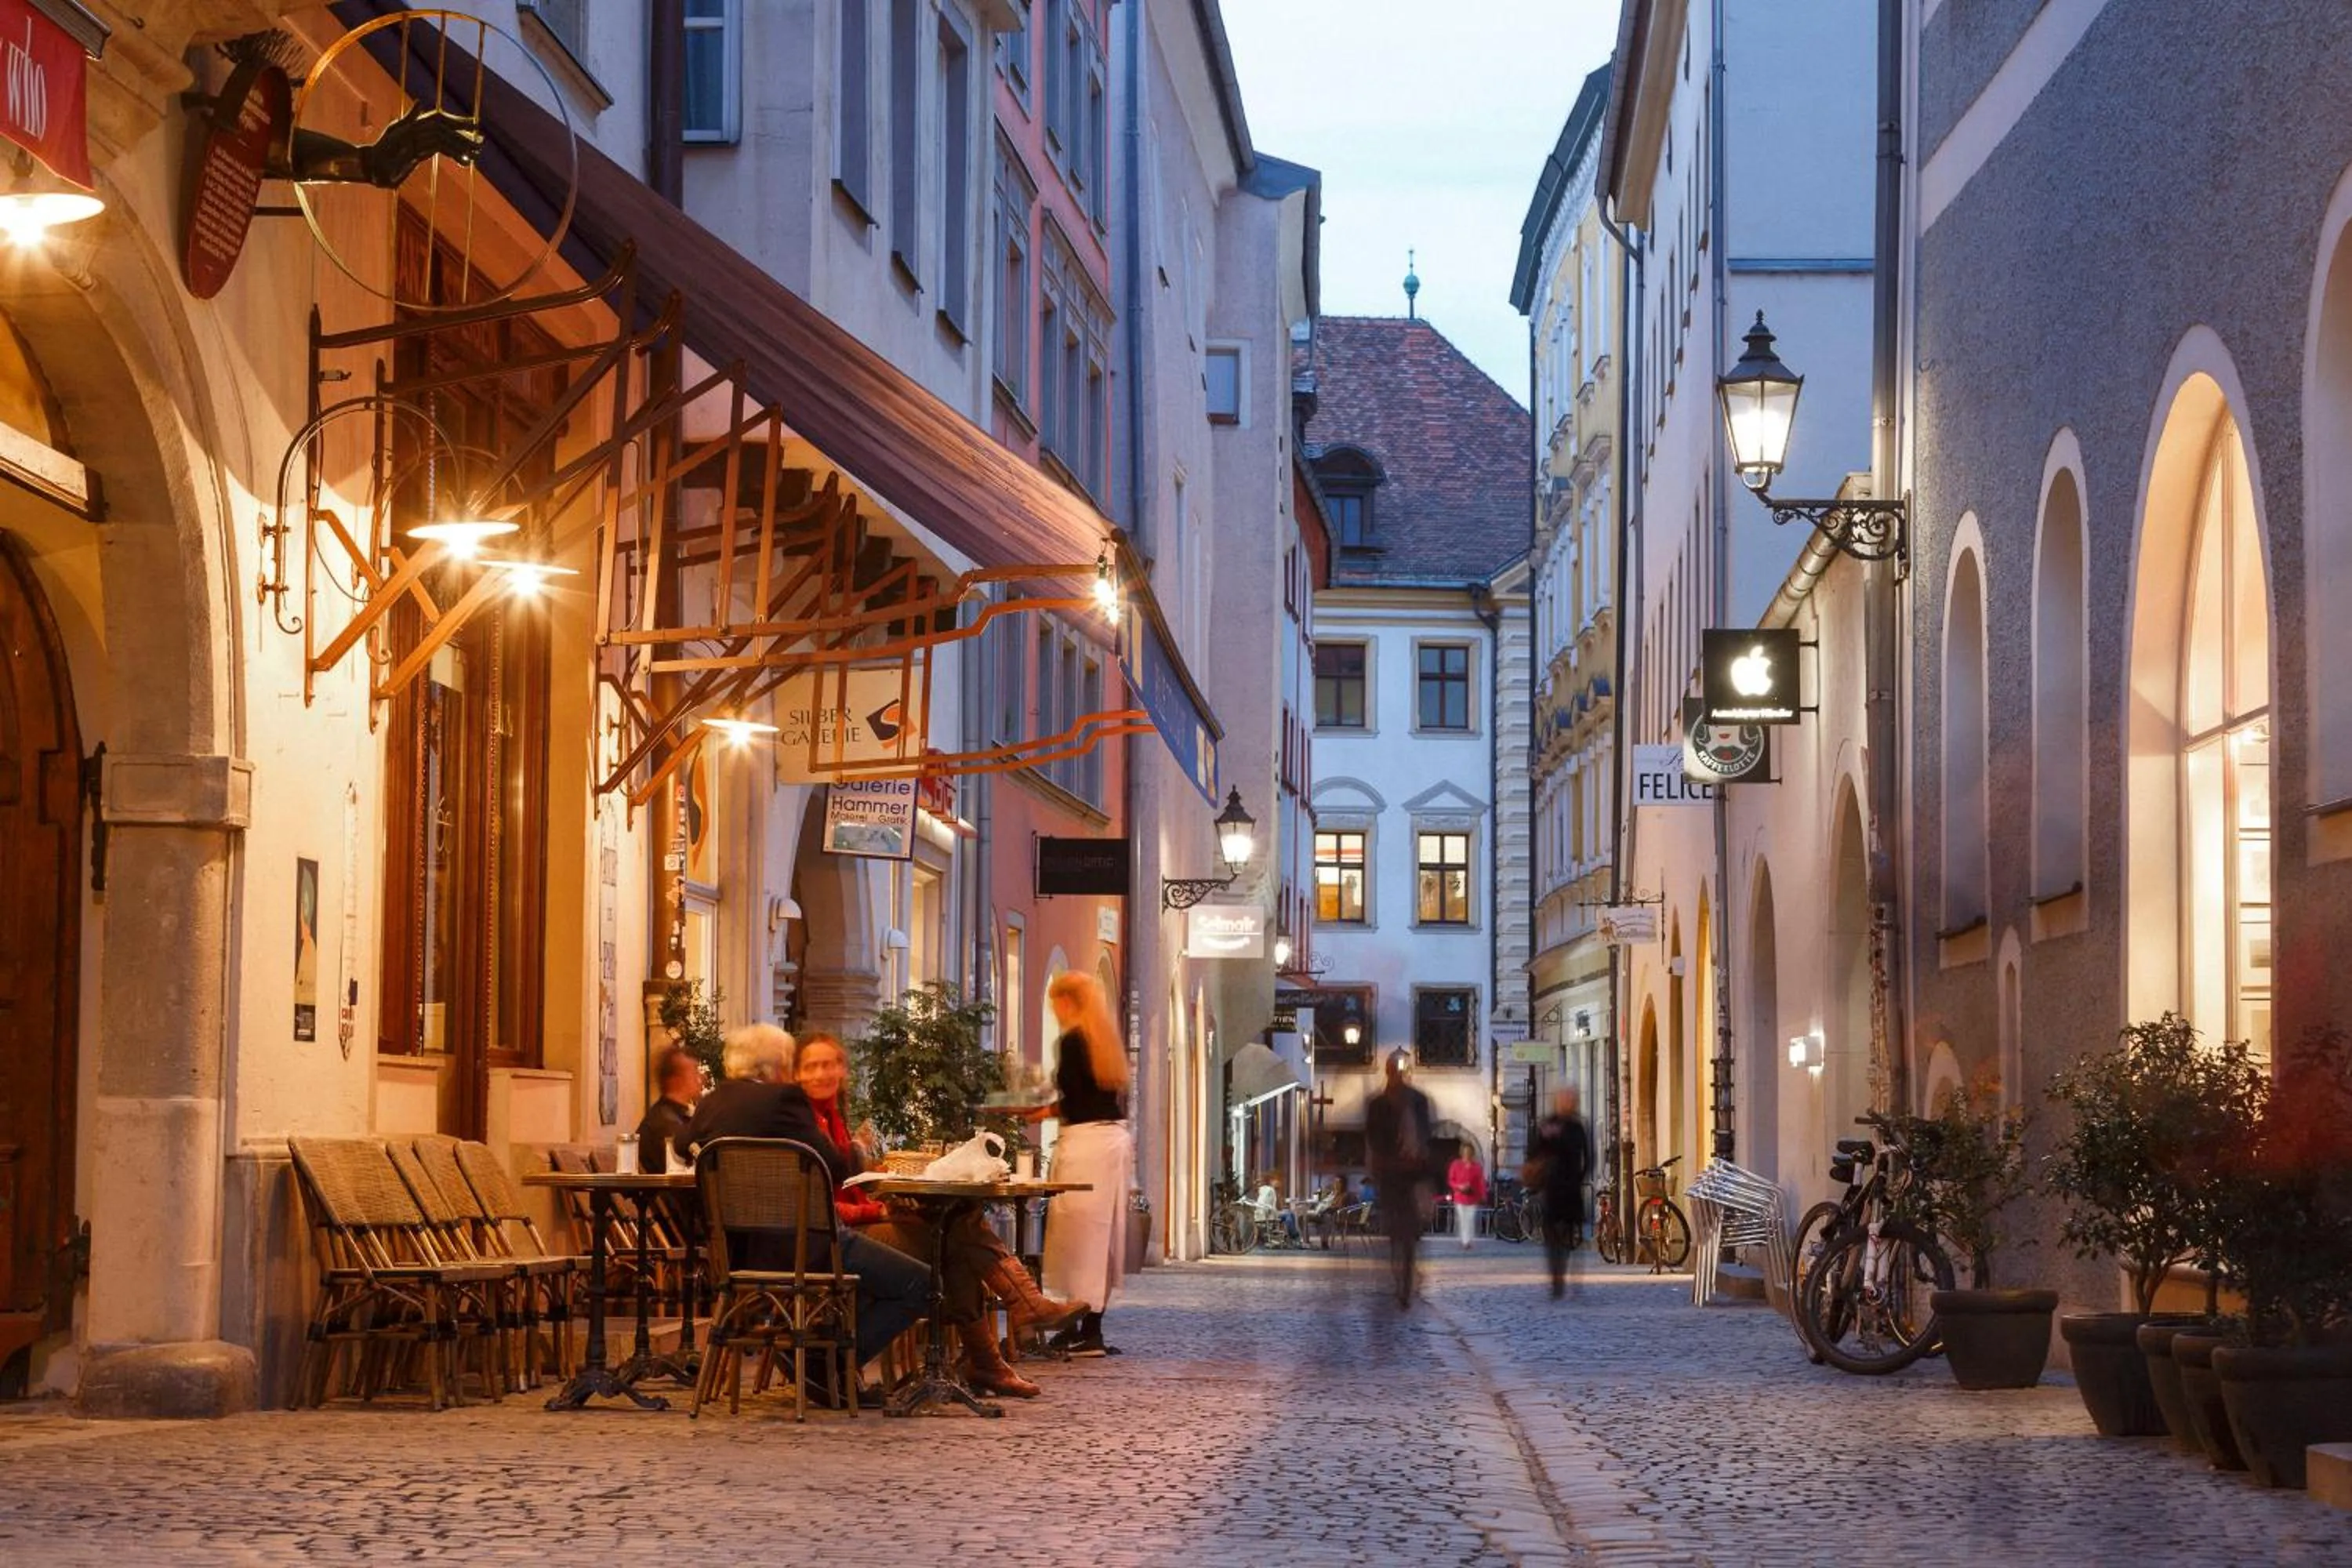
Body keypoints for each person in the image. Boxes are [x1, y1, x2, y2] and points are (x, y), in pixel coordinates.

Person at [792, 1031, 1078, 1399]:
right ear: (796, 1074)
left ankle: (993, 1353)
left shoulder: (833, 1115)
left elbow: (846, 1184)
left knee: (955, 1225)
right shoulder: (804, 1121)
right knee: (953, 1236)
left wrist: (884, 1194)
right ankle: (1010, 1326)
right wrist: (876, 1209)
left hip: (857, 1225)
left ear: (842, 1069)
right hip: (840, 1235)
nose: (821, 1074)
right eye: (811, 1066)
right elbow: (821, 1206)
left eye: (829, 1064)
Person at [680, 1022, 933, 1396]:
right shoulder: (784, 1099)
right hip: (806, 1249)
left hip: (738, 1255)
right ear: (775, 1067)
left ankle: (820, 1356)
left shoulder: (711, 1102)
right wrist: (858, 1150)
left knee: (877, 1278)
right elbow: (834, 1165)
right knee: (921, 1284)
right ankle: (824, 1364)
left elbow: (682, 1146)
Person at [1031, 972, 1134, 1357]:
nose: (1054, 1010)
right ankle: (1090, 1326)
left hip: (1086, 1145)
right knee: (1101, 1239)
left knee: (1075, 1237)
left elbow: (1074, 1100)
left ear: (1067, 1002)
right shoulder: (1104, 1041)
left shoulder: (1074, 1041)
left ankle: (1080, 1326)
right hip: (1112, 1142)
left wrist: (1037, 1111)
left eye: (1055, 1003)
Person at [1365, 1050, 1436, 1308]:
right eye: (1394, 1070)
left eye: (1401, 1070)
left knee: (1410, 1229)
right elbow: (1374, 1139)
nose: (1398, 1075)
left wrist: (1422, 1163)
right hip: (1390, 1174)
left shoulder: (1419, 1100)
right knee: (1396, 1230)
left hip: (1414, 1173)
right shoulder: (1377, 1105)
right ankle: (1401, 1276)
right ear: (1388, 1073)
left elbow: (1427, 1135)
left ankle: (1407, 1275)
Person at [1525, 1088, 1595, 1300]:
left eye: (1571, 1100)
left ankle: (1569, 1276)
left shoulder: (1577, 1126)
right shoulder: (1547, 1124)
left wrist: (1580, 1177)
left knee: (1571, 1236)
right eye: (1565, 1099)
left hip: (1571, 1188)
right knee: (1552, 1238)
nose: (1568, 1103)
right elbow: (1533, 1153)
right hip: (1551, 1189)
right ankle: (1557, 1279)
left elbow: (1587, 1156)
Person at [635, 1047, 702, 1174]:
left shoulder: (680, 1115)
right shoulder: (663, 1123)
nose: (700, 1078)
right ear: (676, 1080)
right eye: (694, 1072)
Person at [1446, 1145, 1488, 1251]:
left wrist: (1483, 1195)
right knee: (1462, 1219)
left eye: (1469, 1152)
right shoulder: (1456, 1165)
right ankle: (1465, 1241)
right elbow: (1451, 1180)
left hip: (1473, 1197)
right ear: (1462, 1153)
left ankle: (1468, 1240)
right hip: (1460, 1197)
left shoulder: (1476, 1167)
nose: (1467, 1154)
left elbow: (1481, 1182)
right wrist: (1459, 1186)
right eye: (1465, 1152)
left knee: (1470, 1219)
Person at [1253, 1170, 1301, 1246]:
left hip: (1269, 1214)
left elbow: (1276, 1206)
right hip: (1269, 1215)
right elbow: (1276, 1207)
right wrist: (1278, 1194)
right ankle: (1294, 1237)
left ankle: (1294, 1237)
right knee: (1288, 1215)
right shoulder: (1270, 1191)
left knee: (1290, 1213)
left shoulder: (1265, 1191)